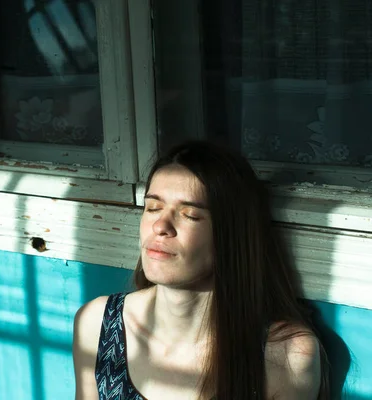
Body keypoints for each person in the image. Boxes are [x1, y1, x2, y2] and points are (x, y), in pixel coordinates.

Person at [72, 140, 329, 400]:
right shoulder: (98, 323)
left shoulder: (285, 355)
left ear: (231, 235)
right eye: (153, 208)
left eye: (190, 215)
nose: (161, 225)